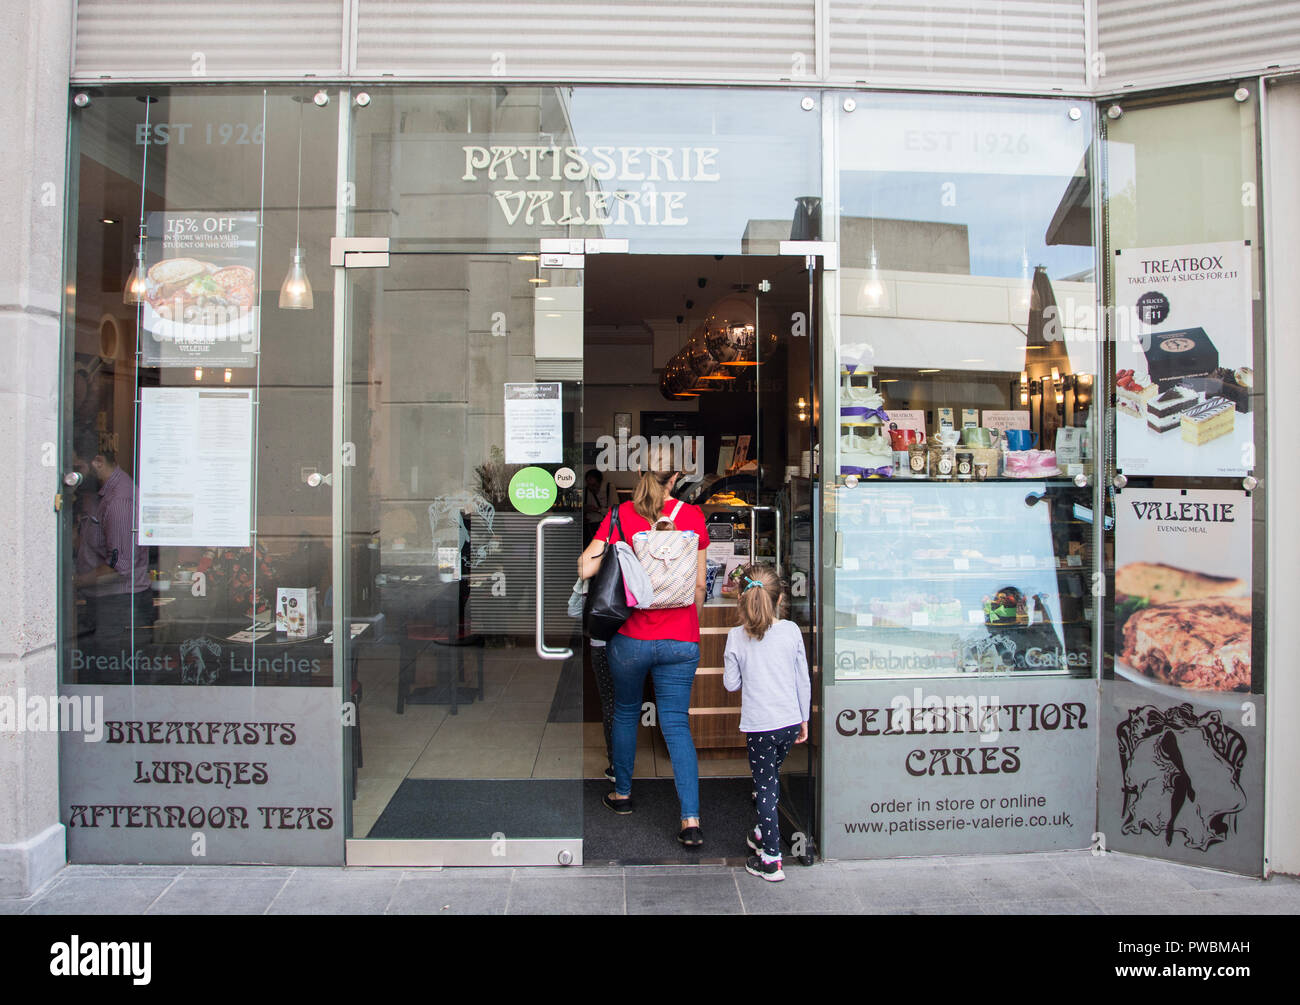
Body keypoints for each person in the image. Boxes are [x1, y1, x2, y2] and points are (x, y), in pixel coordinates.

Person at [578, 442, 709, 846]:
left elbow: (584, 567)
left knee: (625, 712)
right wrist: (684, 619)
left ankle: (622, 794)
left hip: (631, 639)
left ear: (641, 476)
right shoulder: (693, 517)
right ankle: (690, 821)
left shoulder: (622, 516)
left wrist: (617, 549)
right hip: (681, 640)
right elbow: (700, 588)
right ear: (676, 478)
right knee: (675, 723)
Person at [722, 564, 810, 882]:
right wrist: (804, 719)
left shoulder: (735, 637)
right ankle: (762, 831)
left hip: (760, 727)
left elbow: (731, 684)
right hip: (788, 723)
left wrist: (734, 659)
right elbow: (803, 679)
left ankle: (771, 858)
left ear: (741, 601)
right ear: (780, 597)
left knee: (766, 787)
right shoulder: (791, 631)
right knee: (771, 779)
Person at [71, 435, 152, 679]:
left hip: (119, 605)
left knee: (112, 676)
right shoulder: (95, 493)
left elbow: (119, 568)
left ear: (97, 461)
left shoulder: (119, 501)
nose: (74, 475)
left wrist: (74, 582)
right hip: (102, 603)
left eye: (78, 468)